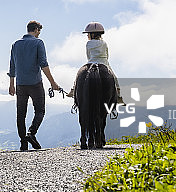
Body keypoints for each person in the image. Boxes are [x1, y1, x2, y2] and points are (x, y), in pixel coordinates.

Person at [8, 20, 62, 151]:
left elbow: (12, 66)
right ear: (36, 29)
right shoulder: (38, 43)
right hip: (35, 83)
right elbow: (43, 64)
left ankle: (23, 144)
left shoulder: (15, 44)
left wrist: (11, 85)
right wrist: (53, 83)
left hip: (20, 84)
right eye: (39, 31)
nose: (39, 34)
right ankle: (31, 134)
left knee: (21, 114)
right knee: (40, 111)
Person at [66, 22, 123, 104]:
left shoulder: (88, 43)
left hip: (90, 62)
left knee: (78, 75)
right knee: (114, 79)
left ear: (93, 34)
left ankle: (73, 90)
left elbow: (88, 55)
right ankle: (118, 96)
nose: (87, 36)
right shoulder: (104, 43)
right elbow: (107, 55)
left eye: (88, 34)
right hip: (104, 62)